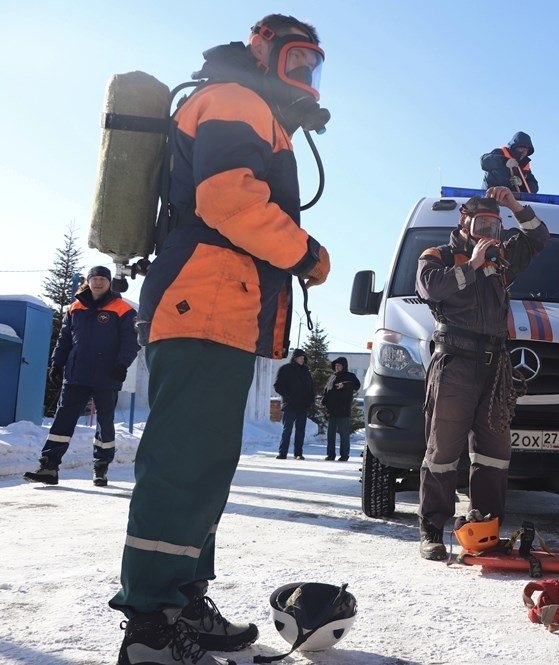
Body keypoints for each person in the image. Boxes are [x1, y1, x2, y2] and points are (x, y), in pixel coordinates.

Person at [109, 14, 332, 665]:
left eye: (313, 68)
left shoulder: (256, 110)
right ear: (263, 54)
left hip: (218, 312)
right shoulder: (235, 100)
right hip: (201, 305)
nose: (307, 79)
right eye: (297, 63)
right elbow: (227, 200)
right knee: (182, 465)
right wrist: (307, 253)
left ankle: (183, 602)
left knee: (204, 468)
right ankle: (150, 624)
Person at [416, 185, 549, 560]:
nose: (489, 231)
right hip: (455, 362)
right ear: (464, 222)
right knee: (442, 449)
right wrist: (471, 265)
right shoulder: (438, 255)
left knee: (494, 452)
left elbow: (538, 237)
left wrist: (514, 205)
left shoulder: (503, 258)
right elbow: (430, 287)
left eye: (495, 223)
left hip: (494, 365)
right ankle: (432, 530)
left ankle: (485, 528)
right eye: (482, 223)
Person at [23, 265, 140, 487]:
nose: (98, 282)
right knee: (63, 419)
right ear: (88, 281)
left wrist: (122, 364)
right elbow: (65, 338)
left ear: (108, 283)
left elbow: (131, 341)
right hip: (77, 374)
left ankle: (100, 468)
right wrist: (57, 363)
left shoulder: (123, 309)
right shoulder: (75, 308)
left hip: (107, 376)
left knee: (105, 423)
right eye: (94, 278)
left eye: (102, 279)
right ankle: (49, 466)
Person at [274, 348, 315, 459]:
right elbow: (277, 386)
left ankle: (298, 453)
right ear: (295, 357)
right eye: (300, 357)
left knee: (300, 431)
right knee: (287, 430)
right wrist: (288, 396)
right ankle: (282, 453)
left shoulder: (306, 371)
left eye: (303, 358)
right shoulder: (285, 369)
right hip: (290, 405)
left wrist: (310, 400)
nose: (302, 359)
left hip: (303, 406)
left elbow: (311, 388)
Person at [321, 356, 360, 461]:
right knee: (331, 435)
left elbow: (357, 385)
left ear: (344, 366)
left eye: (339, 365)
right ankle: (330, 455)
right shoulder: (332, 377)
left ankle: (344, 455)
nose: (337, 367)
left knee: (344, 435)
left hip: (343, 410)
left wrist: (345, 385)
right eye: (336, 365)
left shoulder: (350, 376)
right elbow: (327, 391)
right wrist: (324, 401)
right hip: (331, 410)